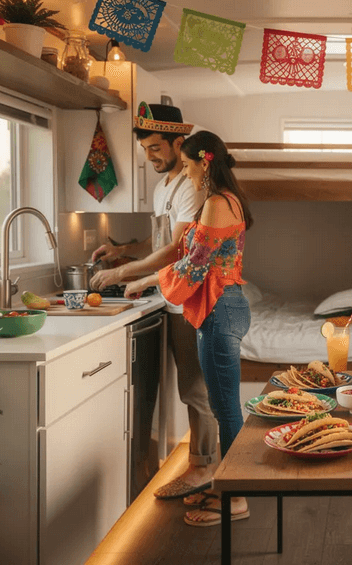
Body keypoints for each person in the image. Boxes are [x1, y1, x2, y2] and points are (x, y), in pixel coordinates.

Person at [89, 103, 219, 501]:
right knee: (184, 390)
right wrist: (123, 251)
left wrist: (123, 274)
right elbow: (160, 240)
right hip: (168, 297)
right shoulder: (162, 186)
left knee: (196, 390)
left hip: (190, 300)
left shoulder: (193, 185)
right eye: (145, 150)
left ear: (179, 142)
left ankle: (205, 470)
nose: (150, 157)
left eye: (156, 148)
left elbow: (179, 247)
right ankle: (194, 466)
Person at [123, 130, 253, 526]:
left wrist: (146, 279)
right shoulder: (229, 200)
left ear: (204, 162)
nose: (187, 170)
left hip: (218, 310)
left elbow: (195, 265)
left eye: (190, 163)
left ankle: (234, 498)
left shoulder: (215, 203)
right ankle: (224, 487)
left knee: (226, 409)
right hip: (224, 306)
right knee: (223, 405)